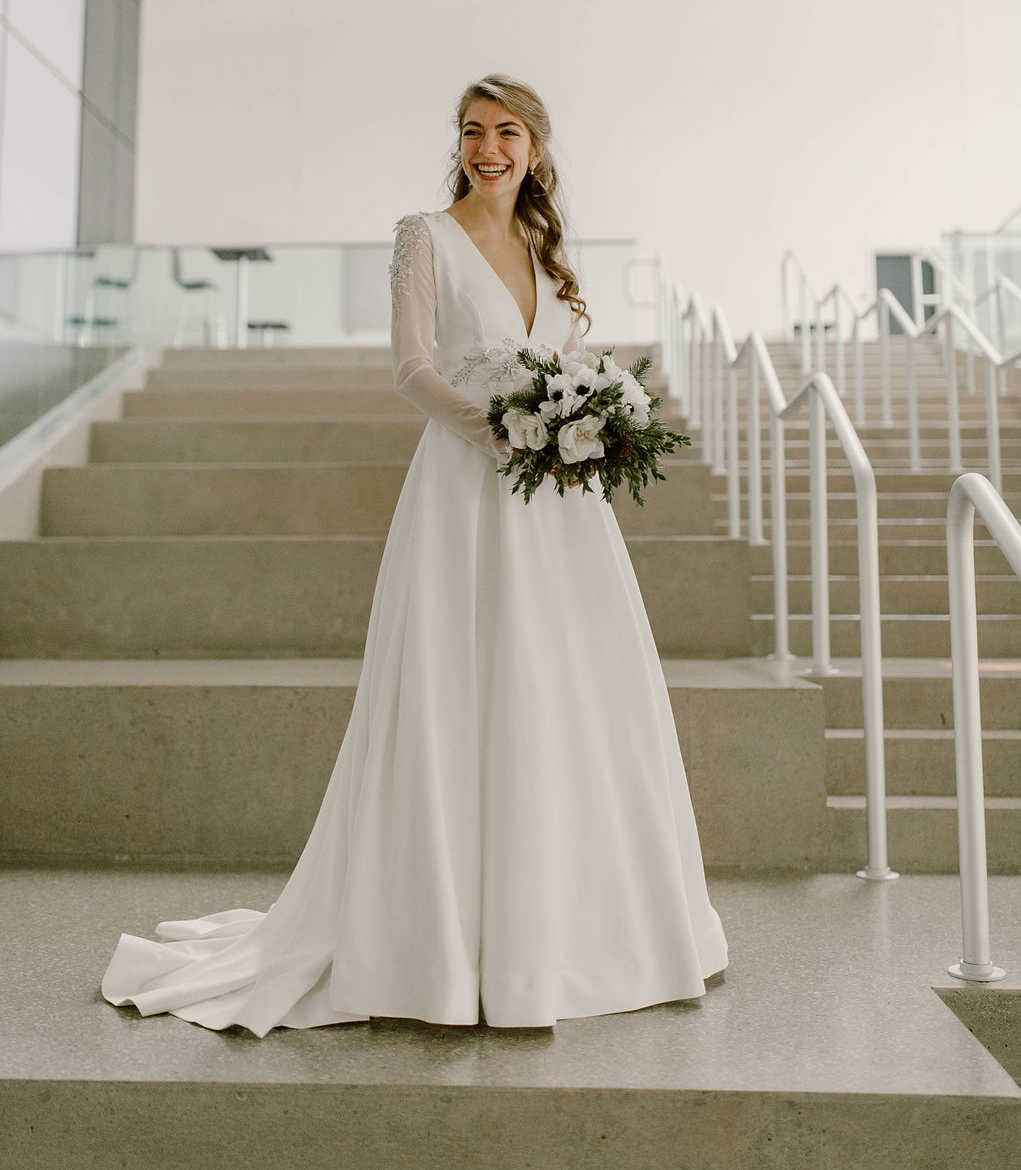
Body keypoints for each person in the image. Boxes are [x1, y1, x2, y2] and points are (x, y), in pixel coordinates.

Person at [100, 73, 727, 1034]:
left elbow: (563, 364)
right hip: (465, 491)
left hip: (558, 507)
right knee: (455, 687)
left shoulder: (548, 251)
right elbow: (410, 366)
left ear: (537, 148)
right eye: (474, 131)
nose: (489, 147)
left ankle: (576, 930)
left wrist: (576, 427)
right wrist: (503, 431)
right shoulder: (423, 236)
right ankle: (433, 938)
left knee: (567, 691)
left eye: (507, 131)